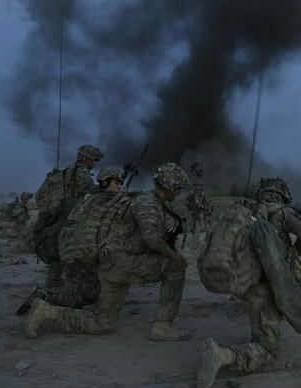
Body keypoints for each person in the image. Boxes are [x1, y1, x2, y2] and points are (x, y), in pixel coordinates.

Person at [25, 162, 191, 341]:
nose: (179, 192)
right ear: (170, 186)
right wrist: (172, 254)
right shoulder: (148, 202)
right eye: (178, 188)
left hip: (111, 264)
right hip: (124, 263)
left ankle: (47, 312)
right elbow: (150, 238)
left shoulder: (138, 199)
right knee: (175, 267)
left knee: (104, 322)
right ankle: (163, 326)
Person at [196, 177, 301, 388]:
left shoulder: (248, 211)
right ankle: (223, 356)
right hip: (269, 285)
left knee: (263, 306)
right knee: (267, 349)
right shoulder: (284, 212)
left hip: (246, 281)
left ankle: (264, 323)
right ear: (283, 195)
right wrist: (295, 250)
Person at [17, 167, 125, 313]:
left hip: (76, 254)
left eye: (121, 182)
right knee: (80, 298)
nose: (120, 186)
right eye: (117, 182)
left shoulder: (89, 198)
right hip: (83, 257)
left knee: (88, 294)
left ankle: (44, 296)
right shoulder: (102, 201)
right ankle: (42, 298)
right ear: (105, 182)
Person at [33, 144, 103, 286]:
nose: (95, 162)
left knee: (61, 251)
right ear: (86, 158)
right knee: (67, 250)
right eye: (94, 159)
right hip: (71, 216)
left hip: (65, 214)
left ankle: (54, 283)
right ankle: (59, 286)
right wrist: (104, 187)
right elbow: (86, 193)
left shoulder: (71, 169)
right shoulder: (82, 173)